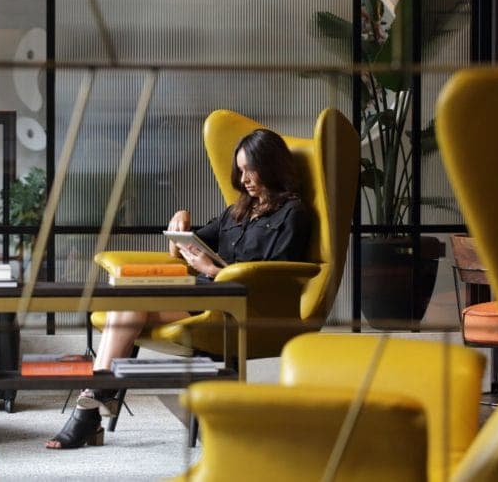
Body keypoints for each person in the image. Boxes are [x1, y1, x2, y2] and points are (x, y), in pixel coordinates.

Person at [45, 128, 312, 449]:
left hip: (237, 305)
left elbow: (273, 281)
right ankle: (93, 405)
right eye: (239, 171)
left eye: (249, 170)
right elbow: (187, 244)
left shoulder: (293, 214)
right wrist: (181, 220)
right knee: (129, 297)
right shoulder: (238, 210)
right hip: (200, 293)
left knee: (131, 301)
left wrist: (213, 270)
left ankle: (90, 409)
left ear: (271, 165)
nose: (244, 180)